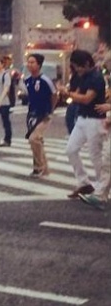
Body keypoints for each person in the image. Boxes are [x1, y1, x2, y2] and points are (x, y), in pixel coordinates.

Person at [60, 50, 108, 202]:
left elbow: (87, 99)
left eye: (79, 66)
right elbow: (78, 93)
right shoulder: (82, 76)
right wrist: (70, 92)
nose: (77, 69)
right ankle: (84, 182)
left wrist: (68, 93)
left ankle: (102, 189)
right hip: (82, 118)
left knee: (96, 156)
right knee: (70, 149)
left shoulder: (96, 77)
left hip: (95, 120)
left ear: (87, 63)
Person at [22, 53, 57, 178]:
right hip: (32, 114)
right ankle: (43, 168)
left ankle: (39, 166)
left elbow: (54, 95)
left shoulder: (45, 80)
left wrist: (51, 110)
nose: (29, 65)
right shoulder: (27, 80)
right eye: (28, 62)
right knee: (37, 141)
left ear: (39, 65)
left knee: (34, 139)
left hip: (44, 114)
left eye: (32, 62)